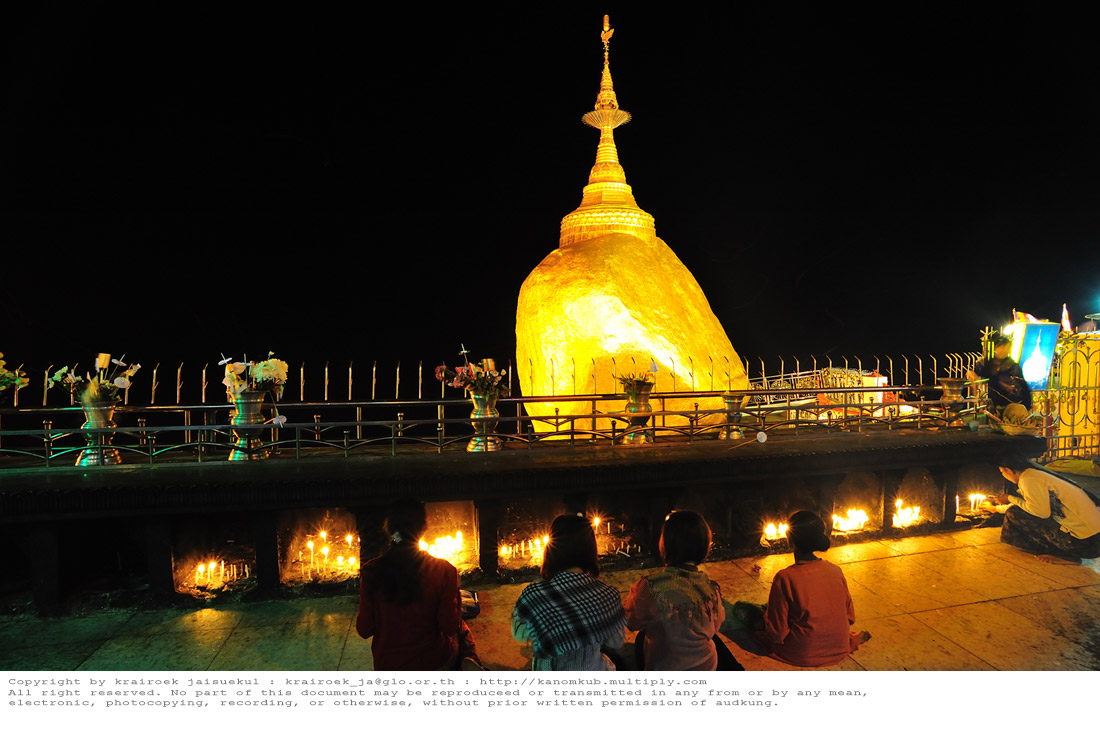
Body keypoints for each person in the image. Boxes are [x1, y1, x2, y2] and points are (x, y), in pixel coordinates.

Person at [356, 498, 481, 670]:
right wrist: (457, 601)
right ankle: (470, 661)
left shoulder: (370, 571)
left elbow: (364, 629)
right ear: (423, 527)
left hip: (388, 665)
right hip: (434, 663)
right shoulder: (445, 571)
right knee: (463, 628)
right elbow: (449, 626)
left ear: (389, 528)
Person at [625, 510, 742, 670]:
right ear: (705, 547)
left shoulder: (651, 586)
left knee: (641, 639)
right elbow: (715, 625)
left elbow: (631, 621)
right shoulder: (711, 589)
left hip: (665, 669)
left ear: (664, 544)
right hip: (706, 666)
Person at [755, 511, 870, 667]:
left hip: (802, 653)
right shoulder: (835, 570)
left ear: (789, 539)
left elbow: (778, 633)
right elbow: (850, 617)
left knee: (757, 630)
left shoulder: (785, 577)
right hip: (840, 646)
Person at [512, 514, 626, 670]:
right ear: (591, 550)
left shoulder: (534, 595)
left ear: (551, 550)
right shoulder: (609, 595)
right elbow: (616, 642)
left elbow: (519, 634)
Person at [985, 453, 1100, 564]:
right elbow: (1027, 505)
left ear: (1008, 470)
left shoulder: (1028, 479)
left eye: (1002, 472)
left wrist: (1010, 498)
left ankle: (1065, 555)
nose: (1003, 475)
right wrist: (996, 509)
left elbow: (1040, 512)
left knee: (1014, 513)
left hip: (1084, 544)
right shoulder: (1035, 475)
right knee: (1018, 510)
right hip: (1094, 540)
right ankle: (1064, 551)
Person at [968, 333, 1032, 410]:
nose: (1004, 351)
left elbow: (1023, 387)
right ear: (993, 348)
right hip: (988, 405)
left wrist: (1027, 406)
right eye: (1001, 347)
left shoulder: (1013, 366)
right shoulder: (983, 365)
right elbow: (973, 377)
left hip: (1011, 405)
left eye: (1007, 348)